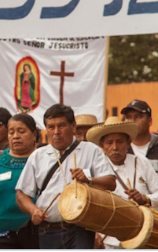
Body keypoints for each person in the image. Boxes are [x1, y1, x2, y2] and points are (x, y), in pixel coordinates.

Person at [15, 104, 116, 249]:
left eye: (61, 125)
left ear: (73, 126)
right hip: (47, 230)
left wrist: (89, 180)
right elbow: (21, 195)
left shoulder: (91, 150)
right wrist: (34, 211)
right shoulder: (38, 155)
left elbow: (111, 183)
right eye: (51, 127)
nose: (56, 132)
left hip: (80, 229)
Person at [87, 116, 158, 249]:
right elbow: (89, 206)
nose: (115, 147)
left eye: (119, 142)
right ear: (102, 145)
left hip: (141, 236)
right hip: (109, 241)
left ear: (128, 142)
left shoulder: (141, 162)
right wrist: (95, 233)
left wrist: (144, 198)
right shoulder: (95, 168)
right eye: (109, 143)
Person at [0, 113, 40, 249]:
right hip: (1, 238)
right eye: (11, 132)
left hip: (37, 236)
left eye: (21, 131)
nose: (15, 136)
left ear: (34, 134)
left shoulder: (43, 159)